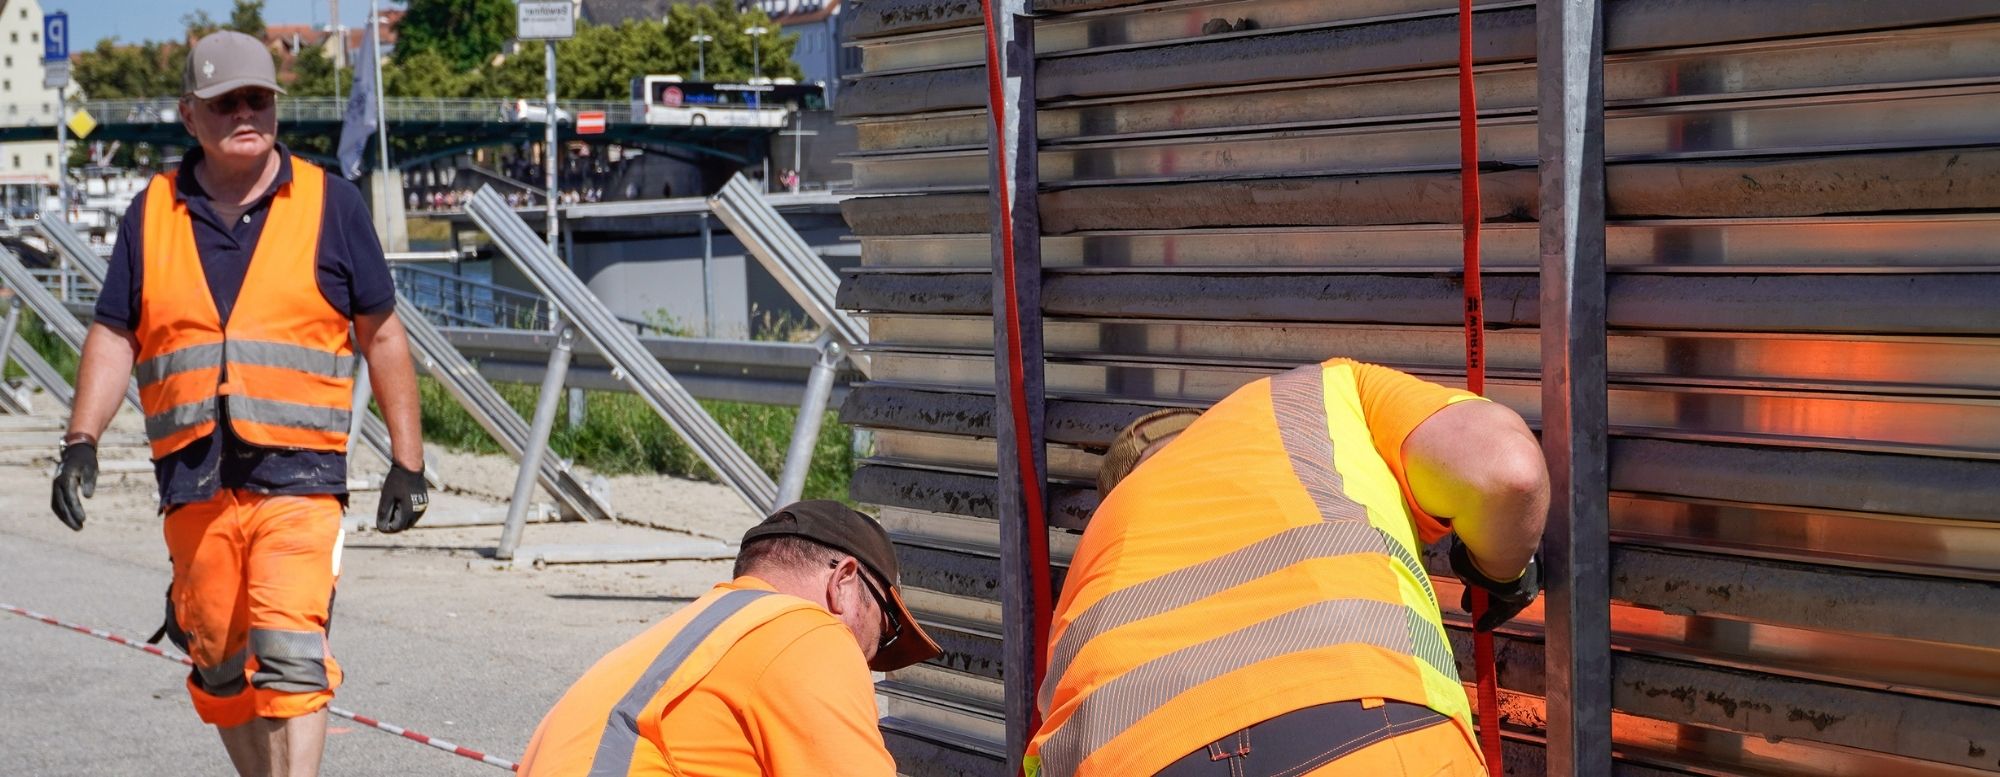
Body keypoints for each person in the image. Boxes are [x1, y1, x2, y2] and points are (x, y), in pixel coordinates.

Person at [47, 30, 429, 777]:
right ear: (190, 115)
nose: (246, 113)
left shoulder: (331, 204)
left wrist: (407, 463)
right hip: (193, 480)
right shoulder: (151, 212)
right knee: (219, 662)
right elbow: (115, 333)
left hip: (301, 478)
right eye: (226, 103)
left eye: (259, 98)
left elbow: (382, 335)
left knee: (291, 656)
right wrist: (80, 440)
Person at [1026, 358, 1548, 776]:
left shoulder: (1093, 559)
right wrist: (1499, 571)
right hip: (1362, 725)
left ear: (1121, 489)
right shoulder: (1313, 396)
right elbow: (1508, 472)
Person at [517, 501, 944, 776]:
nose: (868, 657)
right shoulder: (807, 633)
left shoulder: (661, 650)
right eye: (885, 627)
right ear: (844, 581)